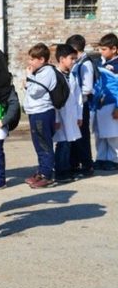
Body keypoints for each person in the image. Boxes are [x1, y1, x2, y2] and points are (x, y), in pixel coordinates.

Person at [22, 43, 58, 188]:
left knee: (44, 144)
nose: (29, 62)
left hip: (42, 112)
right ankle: (42, 171)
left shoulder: (47, 72)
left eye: (32, 59)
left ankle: (47, 175)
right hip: (35, 112)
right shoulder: (40, 72)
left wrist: (29, 77)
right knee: (39, 144)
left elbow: (35, 91)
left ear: (42, 59)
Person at [52, 44, 82, 183]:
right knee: (62, 144)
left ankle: (66, 169)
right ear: (62, 59)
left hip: (71, 115)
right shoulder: (56, 76)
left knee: (68, 143)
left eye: (75, 58)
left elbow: (78, 97)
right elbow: (55, 100)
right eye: (71, 58)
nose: (74, 61)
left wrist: (79, 116)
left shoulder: (72, 76)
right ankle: (61, 172)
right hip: (61, 115)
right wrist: (56, 118)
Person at [66, 34, 95, 177]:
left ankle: (87, 165)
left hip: (82, 105)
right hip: (75, 105)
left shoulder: (86, 64)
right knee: (75, 136)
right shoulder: (78, 62)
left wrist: (75, 95)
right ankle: (75, 163)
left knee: (82, 136)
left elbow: (87, 88)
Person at [93, 33, 118, 170]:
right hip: (99, 103)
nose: (100, 52)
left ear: (114, 49)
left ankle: (114, 160)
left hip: (112, 102)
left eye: (104, 49)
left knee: (113, 134)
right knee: (100, 134)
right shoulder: (99, 63)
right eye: (100, 49)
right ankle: (101, 158)